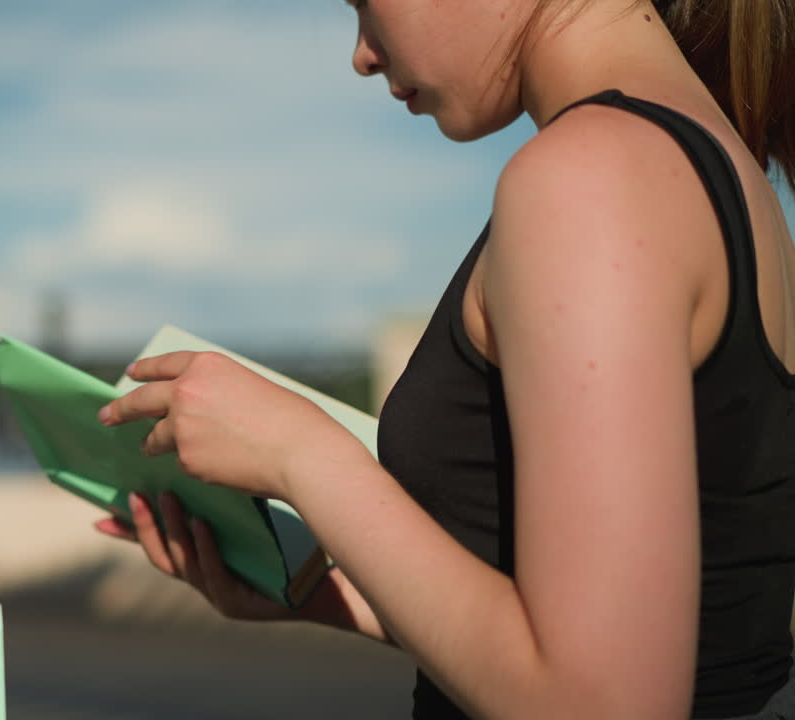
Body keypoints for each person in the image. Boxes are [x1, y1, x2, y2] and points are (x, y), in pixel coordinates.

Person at [91, 0, 795, 718]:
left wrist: (301, 456)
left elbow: (602, 703)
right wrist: (329, 597)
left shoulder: (591, 177)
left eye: (364, 4)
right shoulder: (712, 166)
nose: (362, 52)